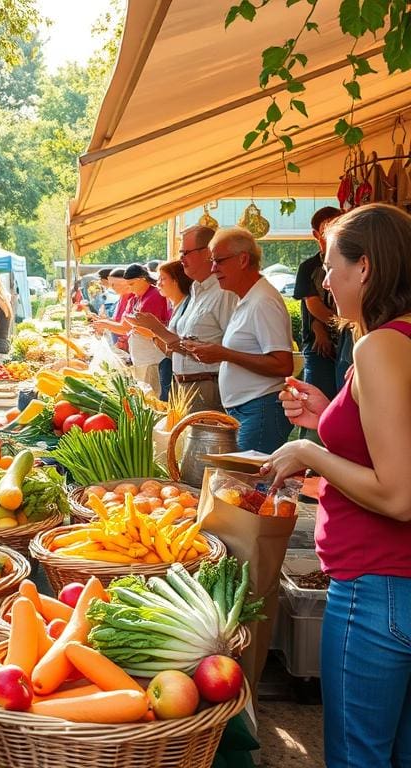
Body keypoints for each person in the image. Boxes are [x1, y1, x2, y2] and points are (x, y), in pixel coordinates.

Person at [265, 203, 411, 768]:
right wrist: (329, 415)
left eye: (330, 267)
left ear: (366, 268)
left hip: (377, 588)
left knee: (359, 757)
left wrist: (309, 452)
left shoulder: (377, 346)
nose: (323, 281)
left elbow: (399, 495)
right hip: (396, 585)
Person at [182, 226, 293, 452]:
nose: (214, 269)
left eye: (219, 261)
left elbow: (283, 364)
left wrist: (223, 354)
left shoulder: (263, 301)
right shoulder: (249, 298)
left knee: (247, 482)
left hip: (260, 410)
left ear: (243, 260)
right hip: (248, 410)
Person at [129, 225, 238, 411]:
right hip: (183, 385)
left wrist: (157, 329)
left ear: (207, 253)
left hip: (206, 386)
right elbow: (181, 345)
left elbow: (231, 351)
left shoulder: (224, 293)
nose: (181, 259)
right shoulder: (196, 292)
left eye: (185, 253)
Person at [92, 264, 170, 394]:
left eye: (132, 284)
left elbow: (153, 331)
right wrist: (104, 323)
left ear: (142, 279)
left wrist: (133, 326)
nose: (129, 288)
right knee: (146, 394)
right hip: (140, 357)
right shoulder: (134, 299)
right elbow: (125, 327)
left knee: (154, 395)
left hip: (154, 357)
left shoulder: (154, 295)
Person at [293, 206, 343, 399]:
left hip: (345, 341)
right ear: (316, 234)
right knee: (317, 398)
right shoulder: (309, 267)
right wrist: (321, 328)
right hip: (318, 348)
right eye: (326, 230)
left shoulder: (351, 260)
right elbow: (313, 304)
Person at [138, 260, 193, 401]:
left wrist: (153, 330)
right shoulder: (177, 306)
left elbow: (181, 347)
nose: (158, 284)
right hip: (175, 373)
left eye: (163, 279)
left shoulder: (188, 307)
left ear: (176, 280)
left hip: (186, 378)